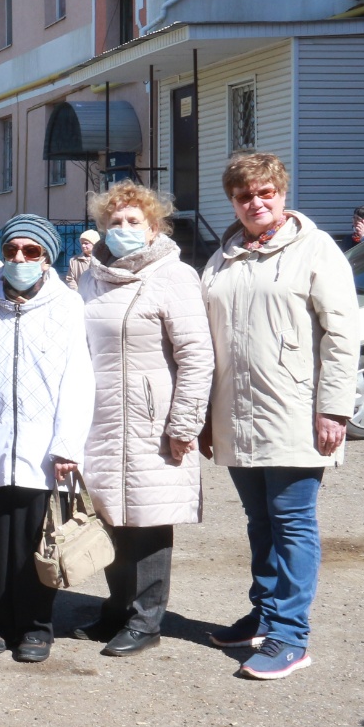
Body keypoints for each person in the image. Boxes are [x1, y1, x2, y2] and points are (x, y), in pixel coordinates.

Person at [201, 153, 358, 680]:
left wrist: (333, 406)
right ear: (233, 201)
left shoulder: (316, 250)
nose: (256, 203)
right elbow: (205, 341)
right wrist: (203, 414)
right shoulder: (222, 257)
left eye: (265, 192)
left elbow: (341, 333)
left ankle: (291, 635)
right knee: (259, 521)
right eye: (244, 196)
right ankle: (265, 613)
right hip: (235, 413)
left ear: (282, 194)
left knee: (292, 522)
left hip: (292, 411)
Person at [75, 182, 214, 657]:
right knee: (112, 511)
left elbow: (197, 356)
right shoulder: (90, 278)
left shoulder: (174, 277)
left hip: (153, 419)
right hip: (100, 416)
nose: (124, 229)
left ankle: (146, 618)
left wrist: (183, 424)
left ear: (154, 228)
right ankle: (116, 610)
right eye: (115, 222)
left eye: (134, 221)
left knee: (150, 517)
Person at [0, 214, 94, 664]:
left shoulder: (67, 305)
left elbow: (78, 379)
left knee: (37, 540)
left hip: (44, 445)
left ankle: (36, 627)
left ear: (46, 259)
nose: (19, 259)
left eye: (31, 252)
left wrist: (67, 445)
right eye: (12, 250)